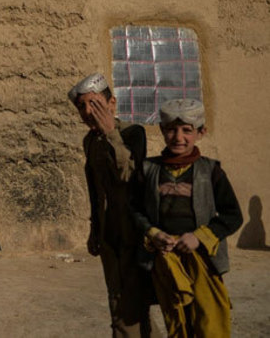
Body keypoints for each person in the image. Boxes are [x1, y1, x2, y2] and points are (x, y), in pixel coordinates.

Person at [131, 99, 243, 337]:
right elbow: (134, 211)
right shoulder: (148, 170)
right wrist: (154, 234)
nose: (178, 137)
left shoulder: (211, 171)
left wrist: (199, 237)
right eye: (171, 129)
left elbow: (233, 216)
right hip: (166, 260)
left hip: (203, 259)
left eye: (187, 130)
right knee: (177, 322)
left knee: (210, 321)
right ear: (162, 130)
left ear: (201, 132)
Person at [68, 73, 159, 337]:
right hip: (111, 237)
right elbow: (96, 191)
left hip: (134, 235)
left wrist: (111, 134)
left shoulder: (133, 133)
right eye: (82, 106)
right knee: (120, 306)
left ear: (112, 103)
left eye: (94, 104)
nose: (87, 111)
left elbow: (127, 176)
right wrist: (95, 230)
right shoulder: (90, 142)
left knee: (130, 310)